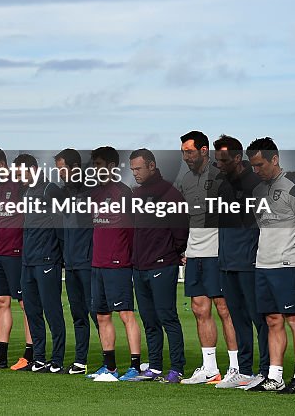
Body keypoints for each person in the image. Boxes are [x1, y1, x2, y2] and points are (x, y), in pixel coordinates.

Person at [245, 137, 295, 394]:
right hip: (263, 264)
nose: (256, 170)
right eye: (253, 166)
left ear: (275, 159)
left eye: (260, 164)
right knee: (272, 320)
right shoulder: (257, 192)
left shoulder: (294, 188)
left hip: (289, 264)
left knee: (294, 319)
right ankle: (275, 377)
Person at [175, 131, 238, 385]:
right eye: (182, 152)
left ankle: (236, 368)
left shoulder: (222, 177)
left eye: (189, 151)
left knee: (225, 310)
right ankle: (210, 369)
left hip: (218, 254)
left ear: (204, 151)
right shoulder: (185, 180)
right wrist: (183, 248)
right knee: (200, 310)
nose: (186, 157)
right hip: (194, 254)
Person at [213, 135, 268, 389]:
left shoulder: (256, 183)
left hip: (250, 262)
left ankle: (267, 371)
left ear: (237, 158)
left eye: (224, 159)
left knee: (259, 319)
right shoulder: (222, 184)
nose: (220, 164)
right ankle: (244, 370)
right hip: (227, 262)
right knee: (238, 319)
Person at [130, 149, 189, 383]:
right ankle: (154, 367)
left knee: (167, 317)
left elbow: (181, 232)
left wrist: (169, 253)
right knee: (149, 319)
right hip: (139, 266)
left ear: (152, 166)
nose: (135, 173)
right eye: (132, 169)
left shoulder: (170, 194)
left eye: (138, 168)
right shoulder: (136, 194)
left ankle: (177, 368)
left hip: (162, 265)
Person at [86, 147, 143, 382]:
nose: (95, 169)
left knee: (126, 314)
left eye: (99, 165)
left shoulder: (123, 192)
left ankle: (135, 368)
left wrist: (126, 257)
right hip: (98, 263)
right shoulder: (95, 194)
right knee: (101, 316)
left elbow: (133, 231)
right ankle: (109, 367)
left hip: (118, 264)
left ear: (111, 166)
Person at [0, 148, 32, 370]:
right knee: (2, 302)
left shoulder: (20, 185)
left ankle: (30, 354)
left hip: (17, 253)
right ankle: (1, 355)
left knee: (25, 304)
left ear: (2, 164)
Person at [19, 157, 68, 374]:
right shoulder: (27, 192)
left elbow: (63, 223)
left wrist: (59, 255)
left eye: (22, 172)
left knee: (52, 310)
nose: (19, 176)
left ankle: (56, 360)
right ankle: (39, 358)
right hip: (28, 261)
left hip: (48, 259)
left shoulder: (50, 189)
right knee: (32, 310)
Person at [56, 149, 98, 375]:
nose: (60, 173)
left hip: (88, 261)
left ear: (74, 167)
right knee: (78, 313)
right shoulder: (64, 193)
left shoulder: (90, 191)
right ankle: (80, 362)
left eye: (62, 169)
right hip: (70, 262)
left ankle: (107, 361)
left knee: (95, 312)